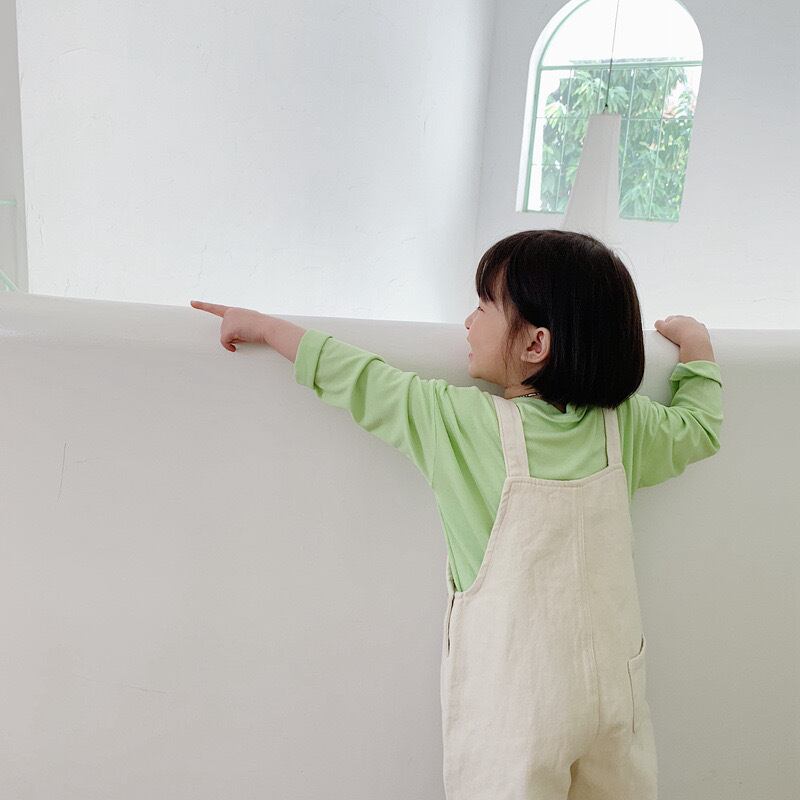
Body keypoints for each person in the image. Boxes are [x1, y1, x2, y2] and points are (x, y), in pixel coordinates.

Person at [190, 229, 723, 799]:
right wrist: (696, 345)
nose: (468, 322)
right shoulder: (626, 427)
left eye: (483, 306)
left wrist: (266, 328)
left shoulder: (463, 423)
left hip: (516, 711)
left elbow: (361, 379)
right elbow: (700, 427)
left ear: (534, 344)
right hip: (615, 698)